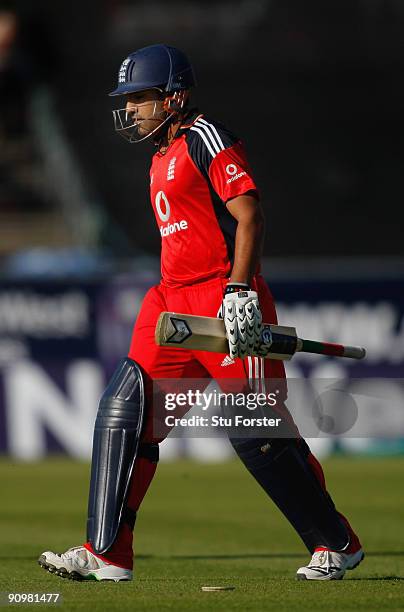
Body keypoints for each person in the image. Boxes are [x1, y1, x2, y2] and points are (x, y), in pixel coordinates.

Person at [38, 44, 364, 582]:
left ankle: (337, 543)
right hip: (169, 299)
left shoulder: (205, 137)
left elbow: (250, 215)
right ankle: (107, 553)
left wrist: (239, 291)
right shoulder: (159, 155)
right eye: (129, 100)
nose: (132, 109)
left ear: (175, 96)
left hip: (222, 298)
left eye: (141, 98)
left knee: (255, 429)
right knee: (126, 409)